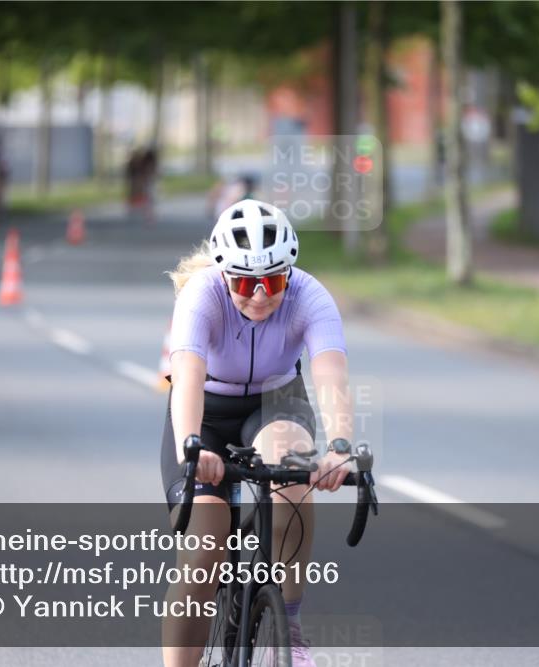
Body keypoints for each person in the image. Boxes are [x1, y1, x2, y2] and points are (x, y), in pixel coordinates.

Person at [161, 199, 355, 667]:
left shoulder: (310, 296)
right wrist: (192, 449)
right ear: (225, 273)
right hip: (206, 412)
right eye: (246, 283)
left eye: (274, 280)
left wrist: (341, 447)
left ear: (289, 272)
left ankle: (287, 626)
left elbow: (330, 374)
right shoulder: (201, 295)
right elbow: (186, 376)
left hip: (276, 402)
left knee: (293, 476)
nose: (261, 294)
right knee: (206, 547)